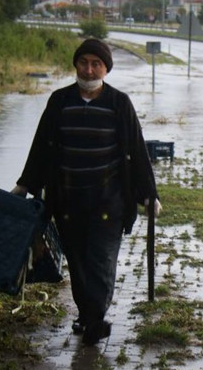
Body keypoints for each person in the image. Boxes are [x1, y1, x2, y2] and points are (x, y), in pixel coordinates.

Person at [12, 38, 161, 346]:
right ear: (76, 65)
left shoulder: (119, 103)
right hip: (67, 201)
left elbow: (136, 150)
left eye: (96, 64)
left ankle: (94, 320)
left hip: (109, 202)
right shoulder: (59, 101)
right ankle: (87, 316)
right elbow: (41, 146)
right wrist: (25, 184)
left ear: (106, 69)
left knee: (101, 262)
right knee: (77, 264)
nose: (89, 69)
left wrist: (149, 194)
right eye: (84, 63)